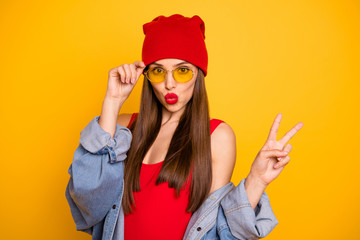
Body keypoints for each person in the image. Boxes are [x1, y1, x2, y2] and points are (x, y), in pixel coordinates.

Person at [65, 14, 304, 240]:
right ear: (147, 75)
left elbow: (216, 231)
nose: (169, 84)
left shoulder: (216, 136)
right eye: (158, 71)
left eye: (182, 71)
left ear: (199, 74)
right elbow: (88, 203)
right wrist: (112, 102)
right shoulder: (121, 128)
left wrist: (256, 180)